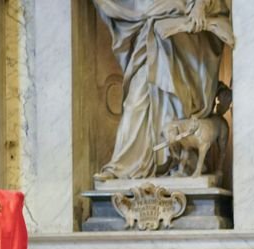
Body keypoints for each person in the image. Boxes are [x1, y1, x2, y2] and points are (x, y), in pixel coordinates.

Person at [92, 0, 234, 181]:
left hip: (183, 30)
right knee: (136, 100)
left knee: (177, 98)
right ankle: (123, 166)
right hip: (151, 28)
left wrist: (201, 4)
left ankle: (180, 162)